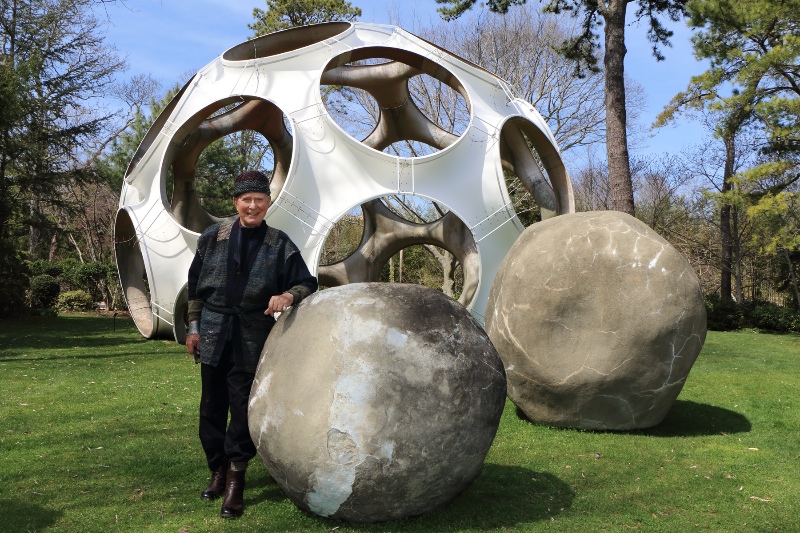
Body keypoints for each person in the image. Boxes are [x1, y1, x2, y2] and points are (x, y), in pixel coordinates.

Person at [185, 170, 317, 519]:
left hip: (251, 336)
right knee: (210, 408)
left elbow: (307, 281)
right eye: (247, 200)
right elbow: (195, 289)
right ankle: (216, 470)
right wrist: (193, 329)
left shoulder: (279, 243)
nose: (253, 206)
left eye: (260, 200)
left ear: (268, 203)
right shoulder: (212, 238)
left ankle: (235, 480)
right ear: (236, 203)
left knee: (242, 408)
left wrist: (288, 294)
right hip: (213, 333)